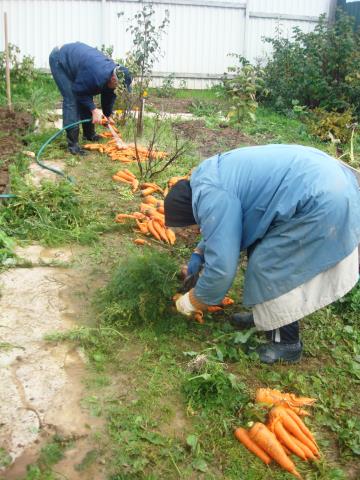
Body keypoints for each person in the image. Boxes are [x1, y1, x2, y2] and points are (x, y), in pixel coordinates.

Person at [164, 144, 360, 364]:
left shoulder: (213, 196)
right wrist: (200, 252)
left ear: (190, 211)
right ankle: (266, 316)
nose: (194, 229)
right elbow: (224, 227)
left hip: (322, 198)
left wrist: (192, 302)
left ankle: (286, 344)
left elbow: (222, 269)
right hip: (327, 180)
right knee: (262, 248)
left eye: (190, 225)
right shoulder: (208, 179)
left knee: (271, 265)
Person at [49, 42, 132, 155]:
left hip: (78, 64)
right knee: (72, 99)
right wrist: (93, 109)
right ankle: (73, 146)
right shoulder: (97, 75)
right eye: (119, 86)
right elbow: (79, 91)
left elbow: (109, 94)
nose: (119, 89)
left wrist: (108, 115)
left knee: (86, 96)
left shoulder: (112, 75)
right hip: (60, 60)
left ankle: (89, 135)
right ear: (113, 79)